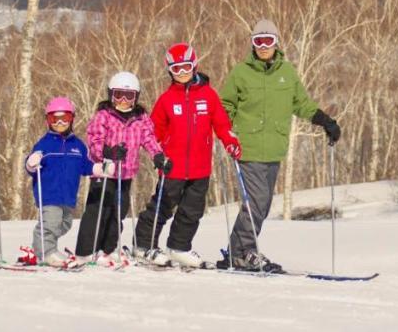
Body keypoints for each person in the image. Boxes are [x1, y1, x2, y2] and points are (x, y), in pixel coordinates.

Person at [217, 18, 341, 273]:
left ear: (276, 43)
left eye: (268, 41)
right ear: (252, 44)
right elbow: (225, 105)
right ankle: (243, 252)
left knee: (261, 203)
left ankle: (238, 251)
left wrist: (325, 121)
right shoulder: (241, 72)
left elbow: (301, 103)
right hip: (247, 146)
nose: (263, 46)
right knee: (257, 200)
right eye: (258, 41)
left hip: (274, 148)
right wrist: (226, 132)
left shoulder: (287, 73)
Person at [132, 43, 240, 268]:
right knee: (162, 206)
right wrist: (157, 154)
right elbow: (153, 133)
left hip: (200, 167)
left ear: (195, 65)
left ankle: (179, 247)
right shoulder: (166, 100)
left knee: (192, 210)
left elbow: (221, 123)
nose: (182, 73)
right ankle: (143, 245)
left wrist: (230, 142)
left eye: (186, 67)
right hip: (173, 166)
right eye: (176, 69)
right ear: (169, 70)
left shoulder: (208, 96)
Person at [75, 71, 168, 265]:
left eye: (129, 96)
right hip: (105, 172)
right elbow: (94, 140)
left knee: (118, 213)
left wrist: (158, 155)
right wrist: (107, 152)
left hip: (125, 174)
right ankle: (86, 250)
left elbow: (149, 138)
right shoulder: (103, 116)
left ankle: (108, 249)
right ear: (110, 95)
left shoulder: (141, 118)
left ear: (137, 97)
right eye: (118, 95)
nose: (124, 100)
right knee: (98, 211)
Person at [23, 96, 100, 267]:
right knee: (50, 223)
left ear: (72, 118)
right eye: (54, 119)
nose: (59, 123)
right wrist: (31, 162)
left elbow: (85, 165)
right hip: (49, 194)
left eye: (64, 118)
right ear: (48, 120)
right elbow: (29, 167)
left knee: (65, 224)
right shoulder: (44, 144)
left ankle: (44, 246)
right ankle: (45, 252)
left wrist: (99, 169)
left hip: (68, 195)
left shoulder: (78, 145)